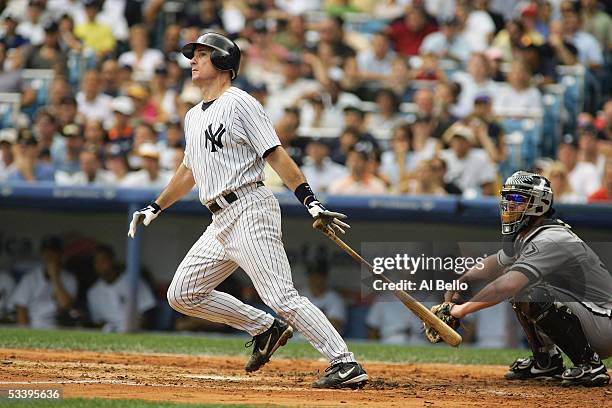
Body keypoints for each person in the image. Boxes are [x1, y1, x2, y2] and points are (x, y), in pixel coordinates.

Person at [127, 32, 368, 389]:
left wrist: (310, 201)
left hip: (249, 207)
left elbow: (275, 154)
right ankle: (265, 328)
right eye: (193, 55)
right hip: (219, 219)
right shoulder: (192, 116)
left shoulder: (241, 103)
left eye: (202, 54)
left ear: (224, 61)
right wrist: (155, 206)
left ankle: (345, 363)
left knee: (281, 296)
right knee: (182, 293)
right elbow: (188, 172)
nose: (192, 60)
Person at [444, 171, 611, 387]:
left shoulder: (551, 238)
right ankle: (546, 361)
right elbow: (496, 261)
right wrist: (463, 280)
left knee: (524, 288)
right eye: (507, 199)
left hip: (605, 322)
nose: (509, 206)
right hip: (591, 316)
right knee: (521, 285)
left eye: (517, 200)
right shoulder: (529, 233)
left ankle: (590, 365)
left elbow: (508, 285)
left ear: (538, 203)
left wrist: (461, 309)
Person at [10, 236, 77, 329]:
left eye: (53, 252)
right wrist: (25, 333)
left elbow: (65, 305)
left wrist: (55, 277)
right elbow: (21, 308)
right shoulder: (30, 278)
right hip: (32, 324)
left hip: (58, 326)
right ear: (41, 254)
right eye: (46, 251)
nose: (49, 255)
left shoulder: (69, 278)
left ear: (60, 254)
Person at [87, 244, 156, 332]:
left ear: (112, 260)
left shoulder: (133, 282)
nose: (100, 264)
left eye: (103, 260)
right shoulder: (93, 292)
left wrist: (135, 326)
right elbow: (97, 321)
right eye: (96, 262)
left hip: (135, 330)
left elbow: (148, 311)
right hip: (109, 333)